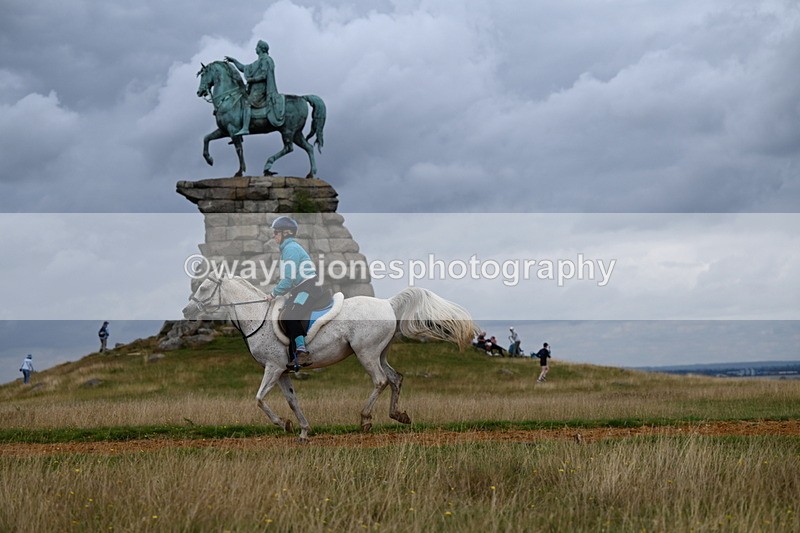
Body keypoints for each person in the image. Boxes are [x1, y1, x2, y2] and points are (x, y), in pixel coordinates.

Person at [265, 216, 325, 370]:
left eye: (276, 232)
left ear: (285, 233)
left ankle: (302, 352)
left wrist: (272, 294)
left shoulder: (290, 249)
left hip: (308, 288)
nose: (274, 235)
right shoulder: (288, 248)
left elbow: (288, 280)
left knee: (291, 315)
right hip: (302, 288)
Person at [225, 40, 285, 136]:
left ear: (261, 49)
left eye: (257, 47)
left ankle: (245, 128)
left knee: (247, 103)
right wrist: (234, 61)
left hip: (261, 89)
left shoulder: (266, 60)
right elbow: (243, 68)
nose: (255, 49)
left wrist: (252, 80)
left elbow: (264, 75)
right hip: (254, 89)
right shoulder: (257, 62)